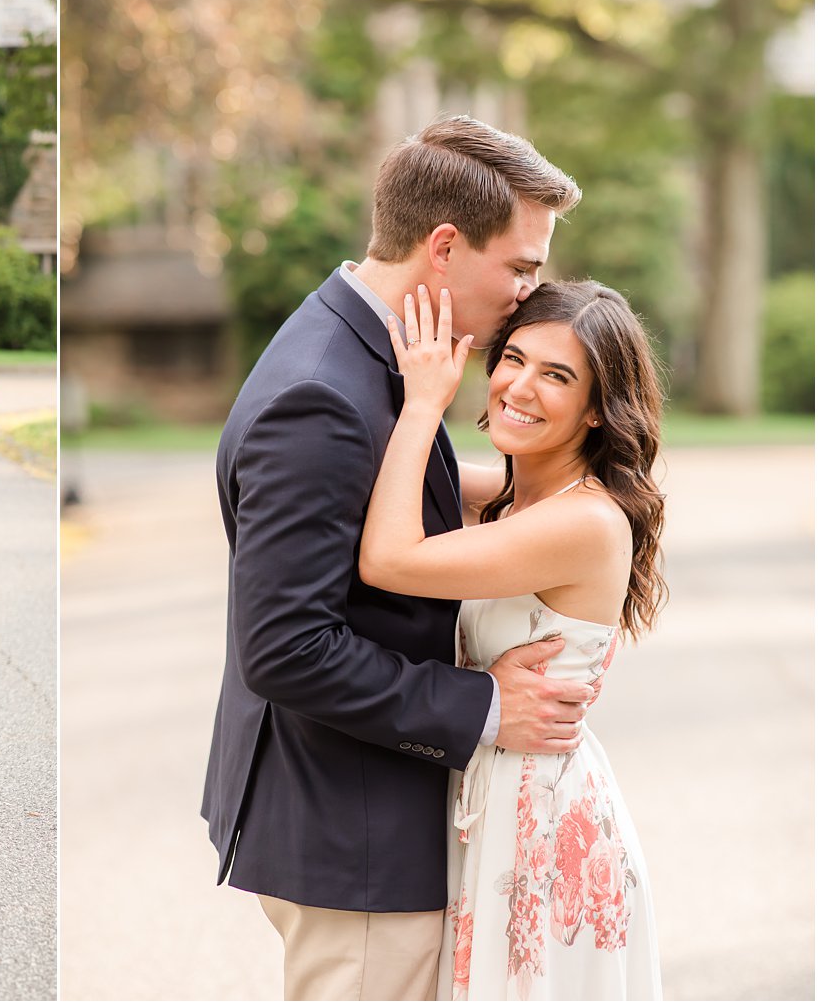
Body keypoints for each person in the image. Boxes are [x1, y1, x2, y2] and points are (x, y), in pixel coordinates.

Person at [202, 116, 597, 1000]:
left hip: (361, 811)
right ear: (445, 246)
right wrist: (487, 704)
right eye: (522, 268)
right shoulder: (324, 395)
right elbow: (287, 646)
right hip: (355, 832)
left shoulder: (367, 351)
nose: (532, 295)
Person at [361, 280, 664, 999]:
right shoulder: (519, 496)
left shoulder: (581, 522)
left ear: (597, 409)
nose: (520, 387)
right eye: (514, 359)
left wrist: (422, 405)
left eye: (557, 376)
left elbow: (389, 558)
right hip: (497, 791)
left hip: (540, 820)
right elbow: (408, 483)